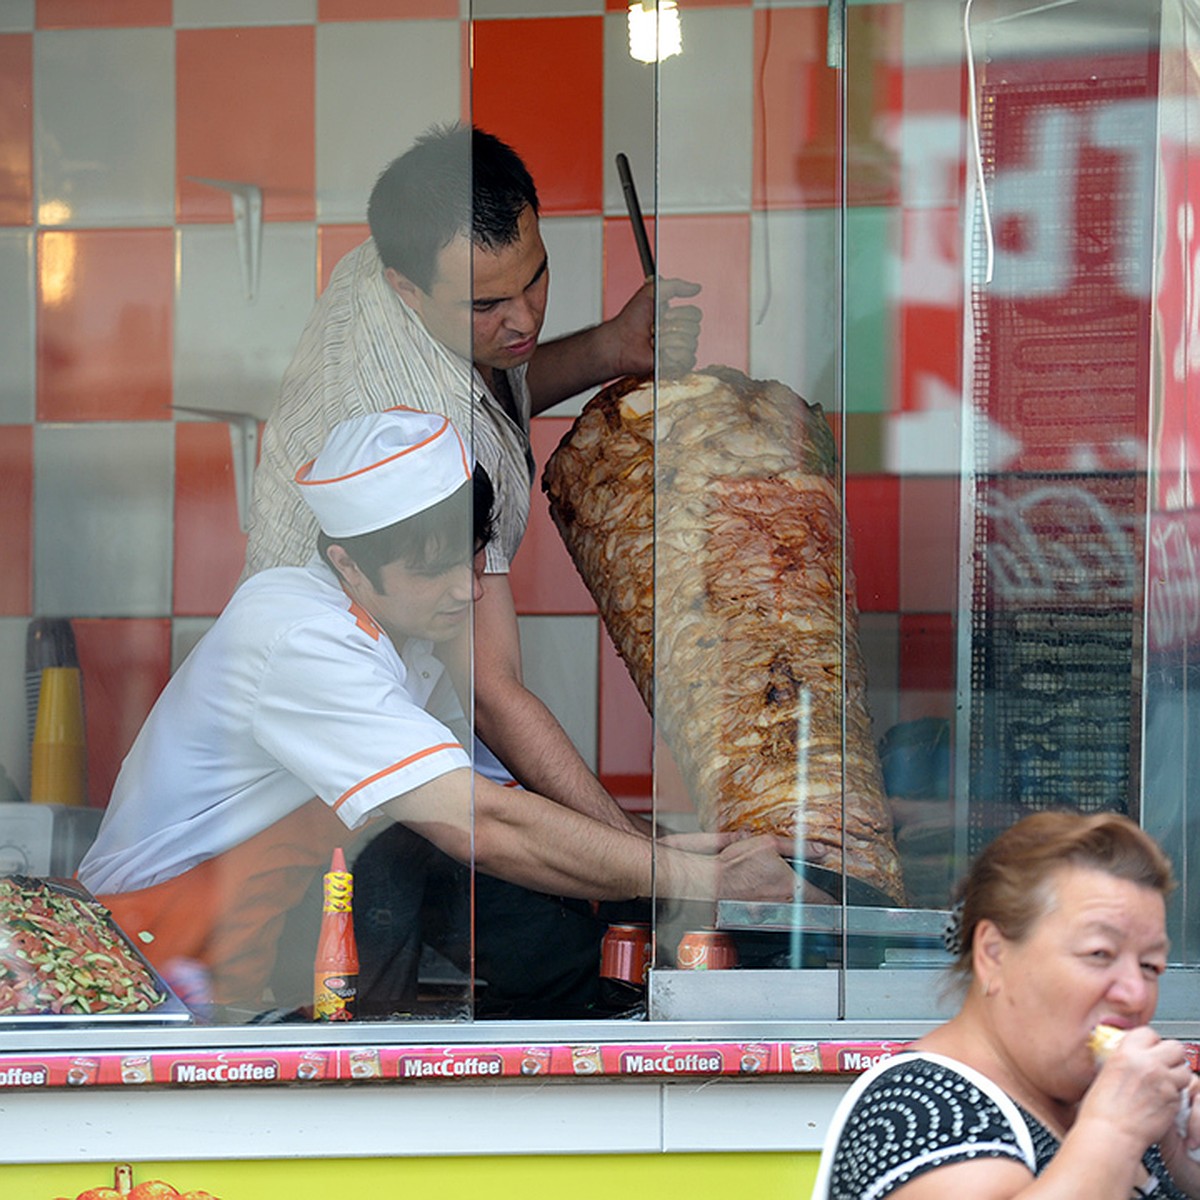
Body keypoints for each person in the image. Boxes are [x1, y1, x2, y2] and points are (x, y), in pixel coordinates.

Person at [78, 409, 795, 1019]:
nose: (463, 591)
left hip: (272, 943)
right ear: (349, 566)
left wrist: (666, 851)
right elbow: (482, 822)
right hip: (164, 960)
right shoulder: (301, 637)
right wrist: (696, 883)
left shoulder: (409, 628)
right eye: (429, 570)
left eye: (470, 556)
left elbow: (505, 796)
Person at [243, 122, 700, 842]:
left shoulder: (396, 261)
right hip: (328, 785)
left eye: (537, 276)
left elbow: (488, 386)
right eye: (487, 306)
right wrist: (642, 861)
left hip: (406, 713)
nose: (524, 319)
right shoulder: (425, 428)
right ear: (408, 287)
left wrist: (610, 346)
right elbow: (491, 693)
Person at [811, 809, 1200, 1200]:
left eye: (1151, 965)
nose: (1135, 994)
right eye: (1099, 953)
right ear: (993, 954)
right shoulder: (917, 1108)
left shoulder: (1132, 1110)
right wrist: (1115, 1133)